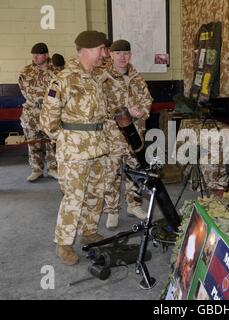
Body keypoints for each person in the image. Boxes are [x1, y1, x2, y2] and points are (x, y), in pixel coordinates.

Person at [40, 31, 109, 265]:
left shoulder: (97, 77)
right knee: (74, 197)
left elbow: (103, 114)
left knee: (95, 192)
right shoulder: (64, 79)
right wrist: (67, 139)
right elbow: (48, 119)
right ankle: (64, 243)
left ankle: (89, 231)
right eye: (102, 49)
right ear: (88, 50)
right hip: (74, 151)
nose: (105, 54)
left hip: (99, 147)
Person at [102, 39, 153, 229]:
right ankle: (112, 211)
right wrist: (126, 112)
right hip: (113, 135)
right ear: (111, 54)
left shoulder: (137, 77)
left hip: (135, 134)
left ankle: (134, 205)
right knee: (112, 173)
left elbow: (147, 99)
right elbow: (100, 107)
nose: (122, 57)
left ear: (130, 55)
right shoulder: (103, 77)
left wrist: (141, 112)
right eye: (118, 53)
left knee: (135, 171)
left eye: (126, 53)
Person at [18, 42, 58, 182]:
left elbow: (59, 89)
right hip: (31, 113)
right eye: (33, 54)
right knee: (33, 142)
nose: (35, 57)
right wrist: (34, 100)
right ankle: (37, 169)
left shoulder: (56, 71)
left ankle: (53, 169)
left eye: (38, 54)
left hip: (49, 112)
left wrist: (48, 100)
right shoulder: (26, 71)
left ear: (46, 55)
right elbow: (23, 89)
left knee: (51, 142)